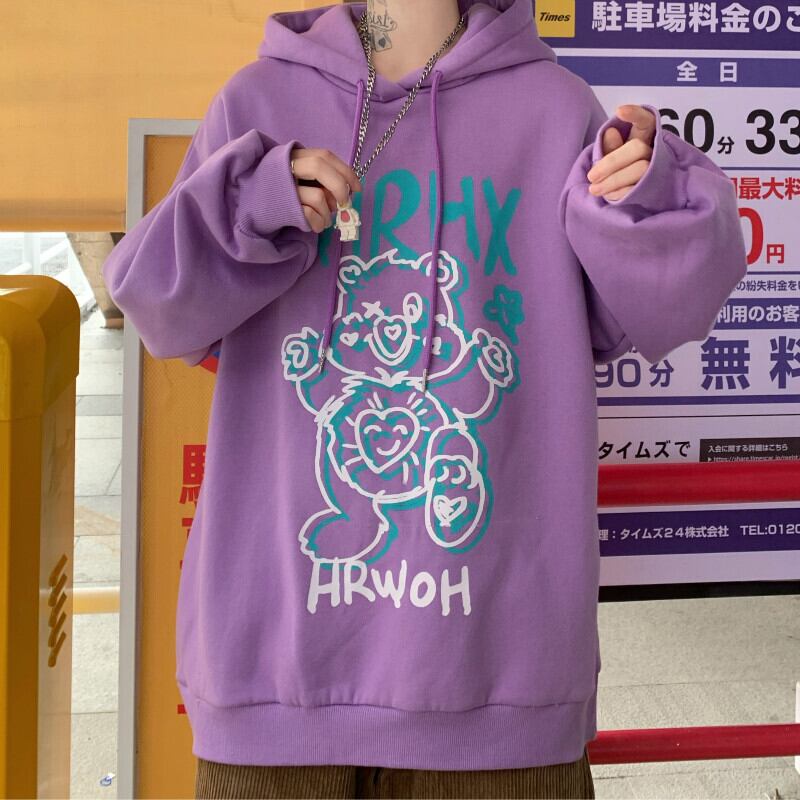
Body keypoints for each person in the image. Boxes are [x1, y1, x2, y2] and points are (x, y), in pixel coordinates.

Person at [101, 0, 748, 797]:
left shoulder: (554, 111)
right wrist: (252, 204)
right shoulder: (257, 99)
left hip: (499, 682)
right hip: (275, 671)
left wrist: (648, 193)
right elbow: (159, 307)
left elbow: (667, 306)